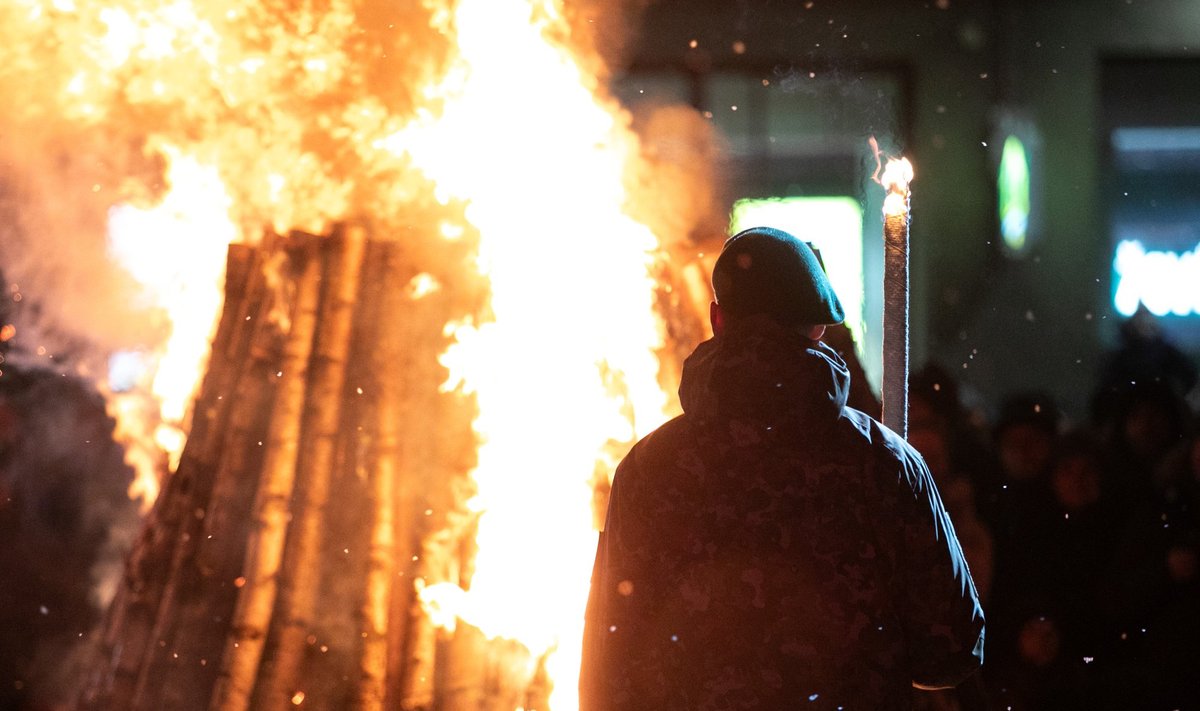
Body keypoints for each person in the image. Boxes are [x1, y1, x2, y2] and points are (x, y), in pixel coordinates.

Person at [580, 226, 985, 710]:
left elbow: (608, 672)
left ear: (717, 318)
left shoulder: (649, 470)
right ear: (818, 327)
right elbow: (950, 651)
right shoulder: (886, 464)